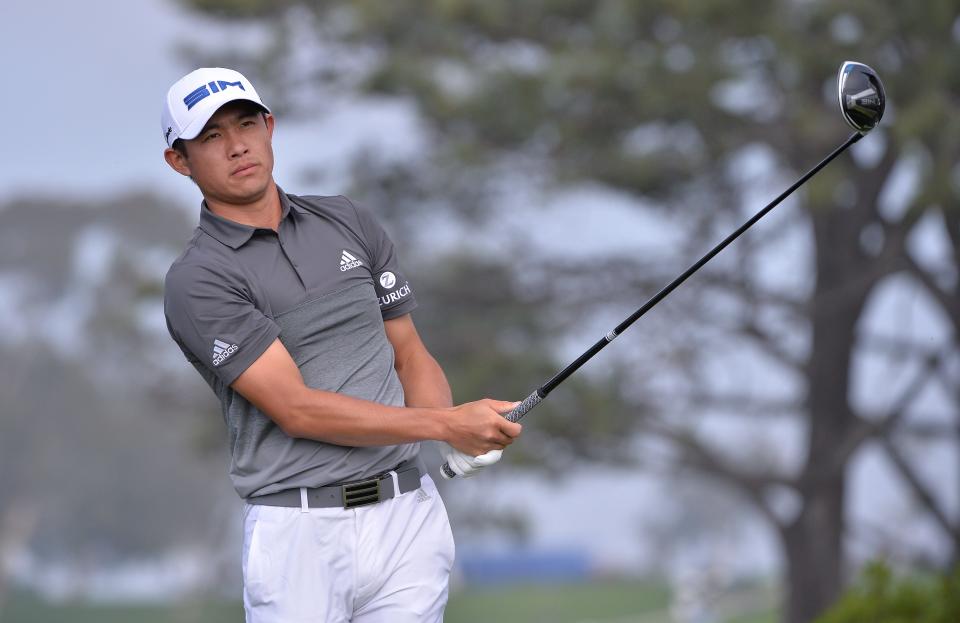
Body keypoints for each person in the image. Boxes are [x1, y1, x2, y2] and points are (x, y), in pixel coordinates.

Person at [160, 67, 522, 622]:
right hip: (299, 536)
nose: (237, 146)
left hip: (407, 522)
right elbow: (296, 410)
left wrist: (457, 432)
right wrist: (447, 424)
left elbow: (408, 353)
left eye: (246, 124)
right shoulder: (199, 279)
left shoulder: (347, 220)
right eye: (210, 137)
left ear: (270, 126)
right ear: (179, 161)